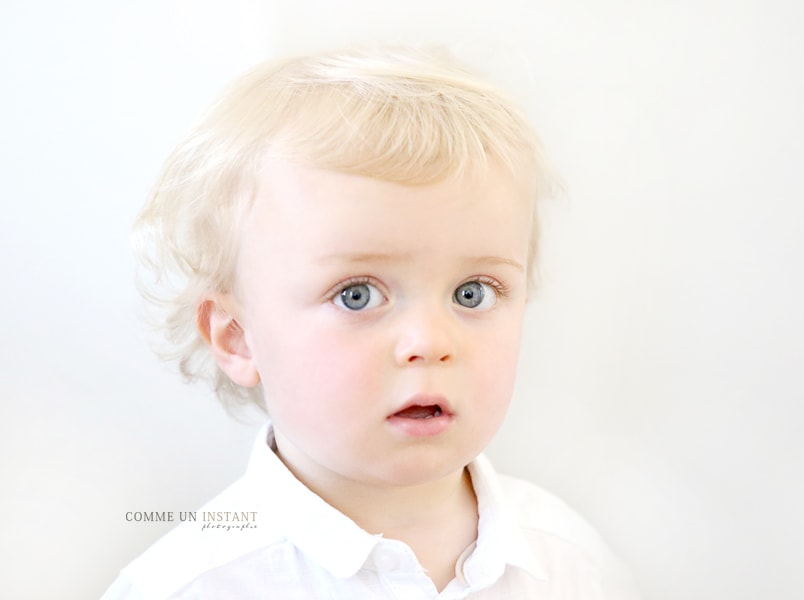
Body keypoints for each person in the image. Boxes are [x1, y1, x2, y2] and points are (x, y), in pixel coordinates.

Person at [102, 46, 639, 599]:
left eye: (471, 293)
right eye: (357, 296)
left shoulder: (572, 562)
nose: (430, 342)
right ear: (237, 337)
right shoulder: (189, 586)